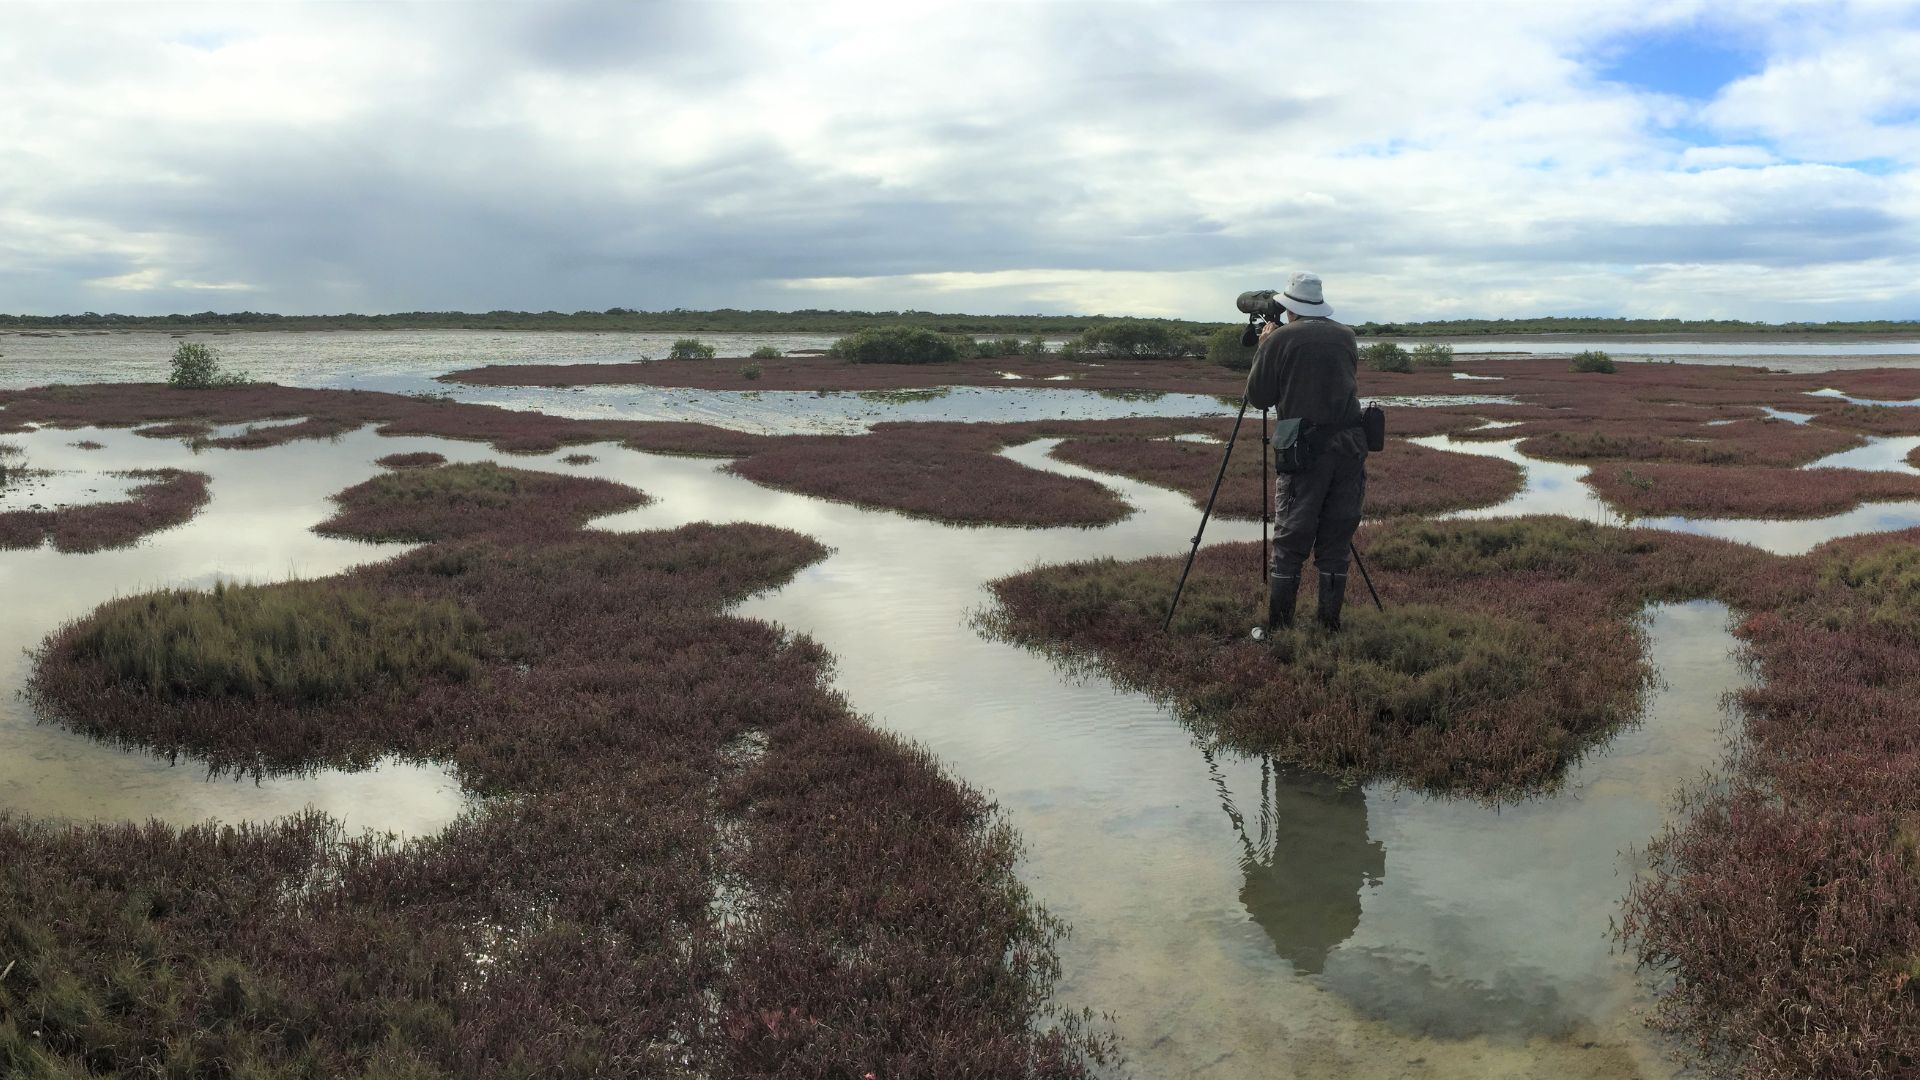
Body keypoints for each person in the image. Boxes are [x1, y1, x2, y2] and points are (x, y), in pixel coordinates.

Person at [1244, 271, 1366, 634]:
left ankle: (1279, 630)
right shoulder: (1346, 336)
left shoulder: (1281, 339)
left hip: (1303, 452)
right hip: (1349, 450)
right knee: (1336, 536)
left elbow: (1259, 397)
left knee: (1291, 538)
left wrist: (1265, 346)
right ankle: (1329, 626)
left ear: (1289, 307)